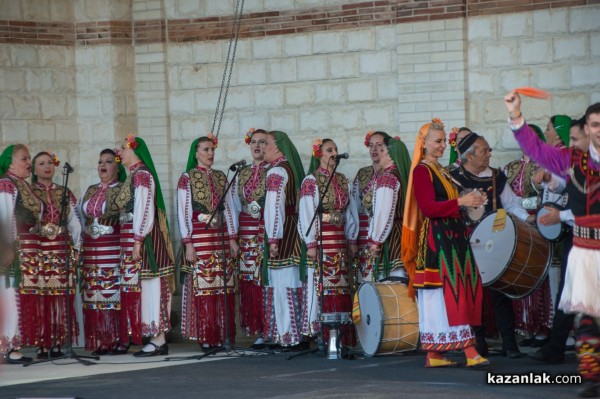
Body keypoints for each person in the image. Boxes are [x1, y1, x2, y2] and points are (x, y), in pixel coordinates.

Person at [505, 93, 600, 398]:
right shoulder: (572, 160)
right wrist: (517, 117)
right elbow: (536, 149)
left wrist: (563, 213)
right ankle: (593, 378)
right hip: (585, 250)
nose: (598, 130)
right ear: (586, 129)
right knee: (587, 317)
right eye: (595, 124)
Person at [402, 118, 489, 368]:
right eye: (438, 142)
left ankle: (435, 354)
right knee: (449, 291)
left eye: (443, 141)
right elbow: (429, 208)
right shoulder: (422, 170)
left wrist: (470, 203)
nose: (442, 146)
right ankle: (469, 351)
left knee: (449, 291)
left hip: (451, 236)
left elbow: (448, 204)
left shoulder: (440, 170)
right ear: (424, 144)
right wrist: (462, 203)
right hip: (437, 239)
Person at [450, 132, 534, 359]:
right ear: (468, 156)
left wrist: (529, 220)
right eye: (484, 151)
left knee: (500, 290)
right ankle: (478, 343)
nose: (489, 154)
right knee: (471, 292)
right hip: (465, 242)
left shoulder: (496, 177)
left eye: (489, 150)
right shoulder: (453, 178)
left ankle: (509, 343)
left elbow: (512, 205)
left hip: (493, 240)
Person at [115, 134, 175, 357]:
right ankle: (155, 338)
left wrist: (138, 239)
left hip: (147, 239)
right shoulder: (132, 176)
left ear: (135, 151)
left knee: (152, 287)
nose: (119, 152)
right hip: (137, 237)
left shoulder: (141, 175)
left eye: (123, 148)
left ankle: (158, 339)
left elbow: (144, 208)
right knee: (145, 287)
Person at [177, 134, 238, 351]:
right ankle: (206, 336)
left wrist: (232, 238)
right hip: (200, 239)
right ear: (195, 153)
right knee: (204, 289)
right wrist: (188, 243)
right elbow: (184, 211)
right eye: (205, 150)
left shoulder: (222, 177)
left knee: (222, 290)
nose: (210, 153)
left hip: (220, 238)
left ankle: (222, 335)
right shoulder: (187, 178)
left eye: (212, 149)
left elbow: (230, 208)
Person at [298, 138, 358, 342]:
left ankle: (340, 332)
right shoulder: (311, 180)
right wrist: (311, 244)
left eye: (336, 149)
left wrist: (352, 238)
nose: (334, 153)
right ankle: (319, 333)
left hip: (339, 241)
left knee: (340, 285)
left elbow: (350, 212)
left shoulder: (342, 180)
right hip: (322, 239)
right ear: (319, 154)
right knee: (321, 284)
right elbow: (307, 213)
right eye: (329, 150)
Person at [30, 151, 82, 359]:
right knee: (41, 297)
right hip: (39, 249)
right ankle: (42, 343)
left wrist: (77, 248)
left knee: (60, 297)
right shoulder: (29, 192)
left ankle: (59, 342)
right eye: (41, 164)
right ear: (34, 170)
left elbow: (74, 221)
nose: (47, 167)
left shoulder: (64, 192)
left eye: (50, 163)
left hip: (61, 249)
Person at [259, 130, 305, 348]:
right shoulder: (291, 169)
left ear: (277, 146)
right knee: (292, 283)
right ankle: (296, 334)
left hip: (283, 233)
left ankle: (287, 335)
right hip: (295, 232)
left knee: (281, 285)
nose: (262, 147)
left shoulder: (276, 171)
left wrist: (273, 238)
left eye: (265, 143)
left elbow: (273, 206)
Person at [80, 149, 127, 355]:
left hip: (113, 249)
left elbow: (127, 219)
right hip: (91, 252)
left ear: (118, 167)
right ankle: (100, 339)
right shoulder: (90, 190)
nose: (103, 165)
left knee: (113, 293)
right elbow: (81, 219)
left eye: (108, 161)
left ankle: (118, 340)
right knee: (94, 295)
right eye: (100, 161)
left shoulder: (123, 189)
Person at [230, 128, 268, 348]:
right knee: (249, 282)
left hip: (263, 231)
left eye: (262, 142)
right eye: (254, 142)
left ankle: (268, 328)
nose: (257, 146)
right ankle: (256, 329)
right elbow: (234, 207)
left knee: (263, 280)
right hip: (245, 233)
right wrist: (233, 237)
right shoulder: (241, 173)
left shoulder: (273, 170)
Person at [0, 144, 38, 364]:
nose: (28, 163)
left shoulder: (18, 184)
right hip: (8, 249)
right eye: (24, 158)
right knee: (9, 295)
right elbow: (5, 216)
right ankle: (9, 348)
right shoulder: (7, 184)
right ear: (11, 163)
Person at [356, 131, 411, 282]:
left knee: (390, 284)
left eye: (382, 150)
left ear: (391, 155)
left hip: (390, 240)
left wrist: (375, 242)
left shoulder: (387, 178)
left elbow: (383, 214)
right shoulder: (400, 175)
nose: (378, 153)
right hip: (401, 234)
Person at [352, 131, 383, 284]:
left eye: (379, 145)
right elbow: (355, 207)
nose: (374, 150)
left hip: (385, 233)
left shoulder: (392, 172)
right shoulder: (363, 174)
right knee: (365, 280)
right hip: (364, 234)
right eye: (371, 146)